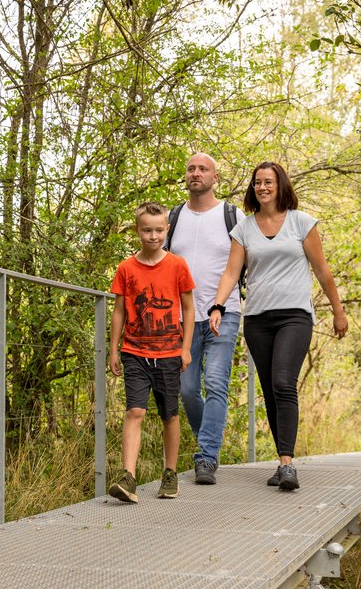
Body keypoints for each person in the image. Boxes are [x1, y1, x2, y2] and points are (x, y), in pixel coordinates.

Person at [208, 162, 348, 491]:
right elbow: (231, 273)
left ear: (280, 185)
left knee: (284, 381)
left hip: (294, 315)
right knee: (271, 388)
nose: (262, 187)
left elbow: (322, 271)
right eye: (257, 182)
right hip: (257, 318)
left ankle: (287, 464)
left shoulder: (301, 222)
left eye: (268, 182)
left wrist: (338, 311)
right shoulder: (244, 228)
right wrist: (217, 305)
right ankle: (281, 461)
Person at [108, 202, 195, 502]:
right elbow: (119, 310)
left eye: (159, 230)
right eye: (147, 230)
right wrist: (113, 349)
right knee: (135, 410)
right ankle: (127, 477)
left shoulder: (177, 265)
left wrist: (185, 349)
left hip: (169, 352)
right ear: (137, 230)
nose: (153, 236)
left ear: (167, 230)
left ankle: (169, 473)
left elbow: (188, 307)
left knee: (169, 415)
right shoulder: (126, 268)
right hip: (134, 352)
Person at [167, 153, 245, 485]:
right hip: (183, 317)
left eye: (203, 169)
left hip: (223, 313)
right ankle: (207, 442)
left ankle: (207, 457)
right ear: (186, 176)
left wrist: (222, 304)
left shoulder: (232, 215)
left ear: (215, 177)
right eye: (191, 169)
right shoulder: (173, 217)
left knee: (215, 384)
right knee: (186, 390)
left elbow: (246, 262)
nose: (196, 173)